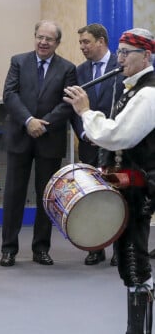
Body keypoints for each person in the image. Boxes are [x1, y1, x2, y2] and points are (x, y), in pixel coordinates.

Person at [64, 28, 155, 334]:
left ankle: (138, 329)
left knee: (134, 258)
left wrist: (86, 112)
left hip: (140, 188)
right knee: (129, 259)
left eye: (126, 53)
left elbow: (119, 135)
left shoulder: (149, 92)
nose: (120, 59)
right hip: (126, 187)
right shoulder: (131, 88)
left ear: (145, 56)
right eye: (119, 52)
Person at [0, 20, 76, 267]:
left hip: (49, 140)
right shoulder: (18, 62)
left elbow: (67, 103)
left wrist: (43, 124)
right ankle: (8, 249)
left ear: (57, 43)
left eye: (49, 39)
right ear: (34, 37)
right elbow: (9, 95)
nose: (43, 42)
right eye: (40, 37)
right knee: (13, 195)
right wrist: (29, 121)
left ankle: (41, 248)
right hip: (20, 137)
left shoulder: (67, 68)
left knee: (46, 196)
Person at [71, 23, 124, 266]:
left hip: (116, 146)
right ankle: (96, 247)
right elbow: (73, 107)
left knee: (118, 196)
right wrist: (84, 132)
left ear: (101, 41)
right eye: (80, 42)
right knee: (92, 197)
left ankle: (120, 249)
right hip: (89, 145)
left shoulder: (121, 68)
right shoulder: (79, 71)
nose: (82, 47)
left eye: (86, 42)